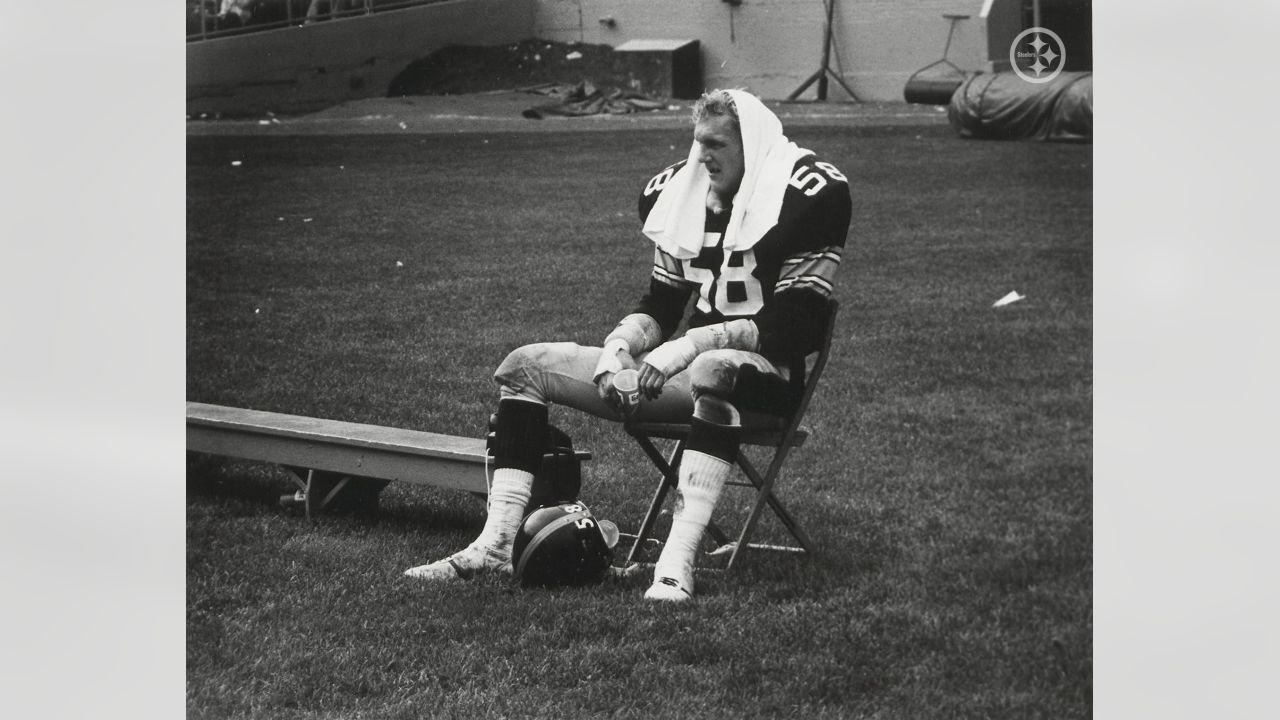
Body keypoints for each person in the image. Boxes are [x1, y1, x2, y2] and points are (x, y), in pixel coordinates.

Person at [404, 89, 851, 601]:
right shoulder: (684, 192)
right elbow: (660, 305)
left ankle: (676, 560)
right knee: (523, 367)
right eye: (697, 142)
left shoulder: (807, 194)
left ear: (752, 143)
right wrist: (620, 346)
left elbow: (798, 327)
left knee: (713, 370)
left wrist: (690, 347)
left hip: (767, 377)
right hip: (692, 371)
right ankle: (497, 544)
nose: (702, 156)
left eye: (717, 144)